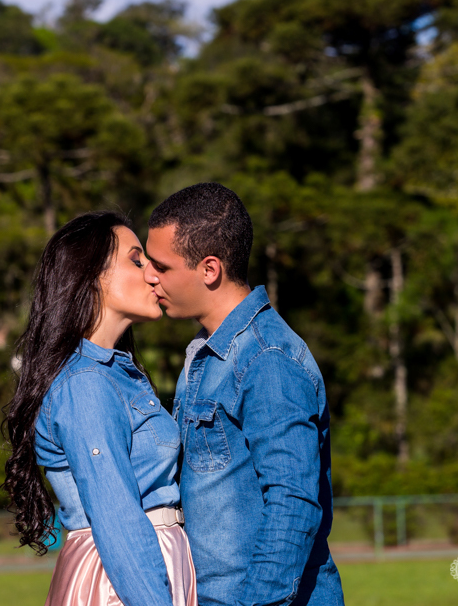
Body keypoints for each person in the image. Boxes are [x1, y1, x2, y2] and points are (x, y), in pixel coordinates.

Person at [144, 183, 344, 606]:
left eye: (161, 266)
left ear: (209, 269)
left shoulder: (266, 359)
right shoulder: (208, 354)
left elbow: (293, 505)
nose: (150, 276)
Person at [3, 211, 197, 606]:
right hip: (122, 581)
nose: (152, 274)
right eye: (135, 259)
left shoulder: (115, 374)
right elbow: (118, 518)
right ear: (92, 277)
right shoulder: (86, 385)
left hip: (145, 566)